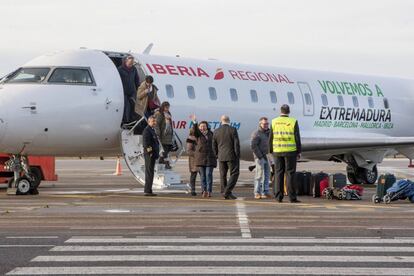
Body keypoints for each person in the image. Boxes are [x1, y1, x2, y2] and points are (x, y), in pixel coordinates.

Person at [270, 104, 302, 203]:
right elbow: (297, 138)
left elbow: (270, 137)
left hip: (277, 151)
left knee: (278, 173)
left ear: (280, 111)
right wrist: (298, 151)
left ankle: (278, 196)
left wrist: (270, 150)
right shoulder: (293, 121)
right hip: (290, 152)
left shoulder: (274, 121)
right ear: (289, 111)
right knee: (290, 174)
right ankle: (292, 197)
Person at [213, 115, 240, 200]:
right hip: (231, 156)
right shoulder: (233, 130)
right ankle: (227, 191)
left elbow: (213, 145)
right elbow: (236, 144)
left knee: (223, 175)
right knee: (234, 173)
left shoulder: (216, 131)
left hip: (221, 156)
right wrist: (237, 155)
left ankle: (225, 192)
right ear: (229, 121)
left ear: (221, 121)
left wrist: (216, 154)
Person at [190, 115, 217, 198]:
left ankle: (209, 191)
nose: (202, 128)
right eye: (201, 126)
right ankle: (204, 191)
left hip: (210, 158)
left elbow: (216, 144)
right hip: (200, 158)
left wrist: (216, 154)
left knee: (209, 174)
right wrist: (195, 122)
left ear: (207, 127)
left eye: (204, 126)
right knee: (202, 176)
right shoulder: (198, 135)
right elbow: (195, 131)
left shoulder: (211, 134)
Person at [251, 117, 271, 199]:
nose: (266, 125)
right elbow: (253, 146)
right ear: (260, 124)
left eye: (267, 124)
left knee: (267, 175)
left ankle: (265, 192)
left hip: (268, 157)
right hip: (260, 158)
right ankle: (257, 192)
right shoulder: (256, 133)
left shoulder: (269, 133)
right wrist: (260, 157)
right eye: (264, 124)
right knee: (259, 176)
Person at [118, 55, 140, 125]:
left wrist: (138, 89)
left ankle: (133, 120)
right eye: (130, 63)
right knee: (127, 106)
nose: (131, 65)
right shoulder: (120, 69)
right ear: (126, 62)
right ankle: (126, 121)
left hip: (132, 91)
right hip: (123, 91)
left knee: (134, 105)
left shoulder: (134, 69)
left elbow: (136, 79)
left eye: (132, 63)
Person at [142, 115, 160, 196]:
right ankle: (147, 190)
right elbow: (146, 144)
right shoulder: (147, 131)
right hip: (149, 155)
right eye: (153, 121)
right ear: (149, 122)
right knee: (149, 173)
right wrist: (151, 153)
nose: (154, 123)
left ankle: (149, 190)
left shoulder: (152, 130)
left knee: (151, 173)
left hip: (152, 155)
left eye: (155, 121)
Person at [154, 102, 174, 170]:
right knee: (164, 150)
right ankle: (164, 163)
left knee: (167, 150)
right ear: (162, 107)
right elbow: (156, 124)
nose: (167, 108)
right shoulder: (159, 114)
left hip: (169, 136)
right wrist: (158, 134)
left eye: (168, 107)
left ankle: (164, 162)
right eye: (166, 107)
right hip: (163, 136)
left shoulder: (168, 114)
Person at [186, 128, 198, 196]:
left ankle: (204, 190)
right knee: (193, 175)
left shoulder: (199, 138)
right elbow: (189, 151)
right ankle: (192, 190)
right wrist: (197, 154)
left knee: (202, 176)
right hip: (194, 160)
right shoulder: (190, 139)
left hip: (200, 160)